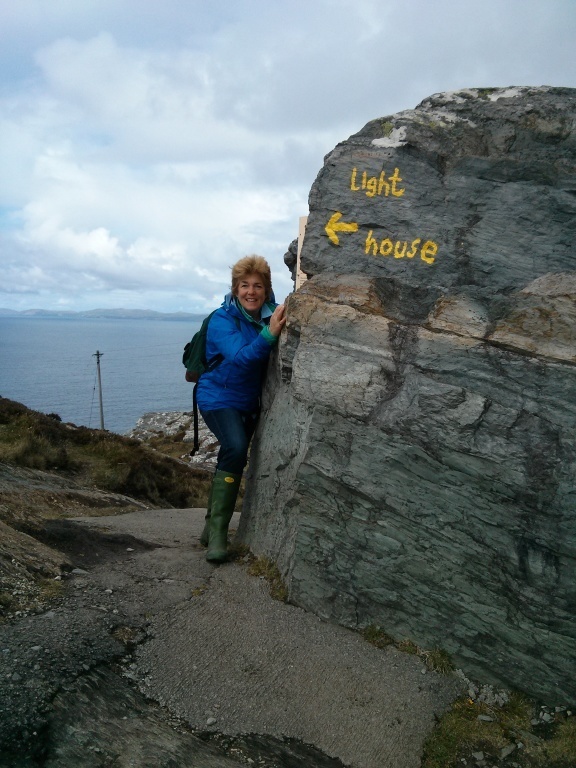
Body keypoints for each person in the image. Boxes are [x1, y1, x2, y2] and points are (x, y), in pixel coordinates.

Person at [196, 255, 286, 563]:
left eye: (257, 286)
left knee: (231, 455)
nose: (251, 292)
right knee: (235, 447)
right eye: (244, 285)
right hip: (217, 398)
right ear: (235, 289)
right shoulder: (222, 320)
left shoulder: (272, 313)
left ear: (266, 290)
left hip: (248, 402)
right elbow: (241, 357)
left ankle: (210, 527)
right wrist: (269, 334)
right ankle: (219, 537)